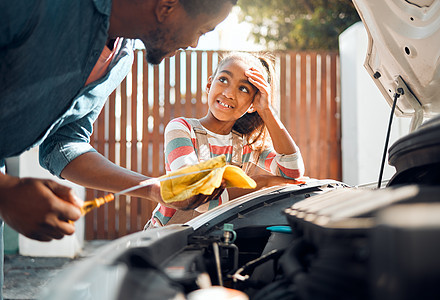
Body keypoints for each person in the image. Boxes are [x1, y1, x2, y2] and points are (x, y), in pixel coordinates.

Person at [0, 0, 235, 297]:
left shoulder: (121, 59)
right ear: (167, 6)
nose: (193, 43)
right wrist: (4, 190)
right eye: (202, 29)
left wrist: (154, 188)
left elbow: (63, 143)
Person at [147, 52, 305, 227]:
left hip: (216, 239)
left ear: (253, 104)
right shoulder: (182, 129)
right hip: (165, 239)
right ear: (209, 84)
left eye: (243, 89)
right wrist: (262, 182)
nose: (229, 93)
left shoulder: (247, 144)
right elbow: (194, 193)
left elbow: (292, 172)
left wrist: (267, 111)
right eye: (223, 79)